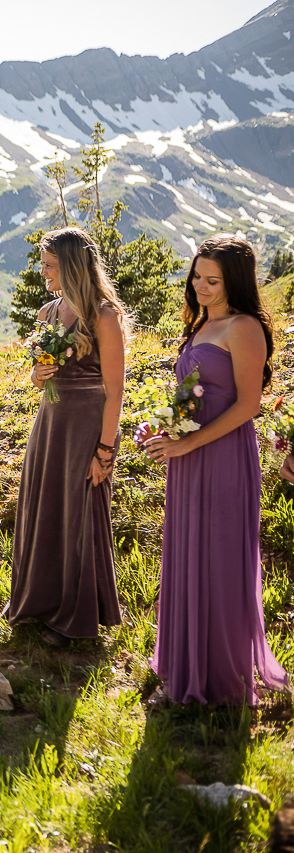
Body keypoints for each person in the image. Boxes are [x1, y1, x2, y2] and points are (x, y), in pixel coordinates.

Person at [144, 234, 289, 705]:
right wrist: (162, 427)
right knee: (189, 550)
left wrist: (189, 445)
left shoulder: (243, 327)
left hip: (224, 457)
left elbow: (249, 404)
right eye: (197, 276)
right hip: (188, 455)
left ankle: (221, 680)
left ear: (236, 282)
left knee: (220, 556)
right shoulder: (203, 322)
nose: (201, 287)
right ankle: (185, 662)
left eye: (213, 280)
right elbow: (194, 394)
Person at [4, 227, 127, 645]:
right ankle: (39, 603)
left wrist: (105, 451)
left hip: (86, 424)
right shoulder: (47, 314)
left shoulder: (104, 316)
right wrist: (37, 374)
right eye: (42, 264)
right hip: (51, 422)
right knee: (46, 507)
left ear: (73, 266)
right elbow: (38, 376)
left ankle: (75, 617)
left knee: (79, 513)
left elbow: (115, 390)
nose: (43, 272)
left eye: (50, 265)